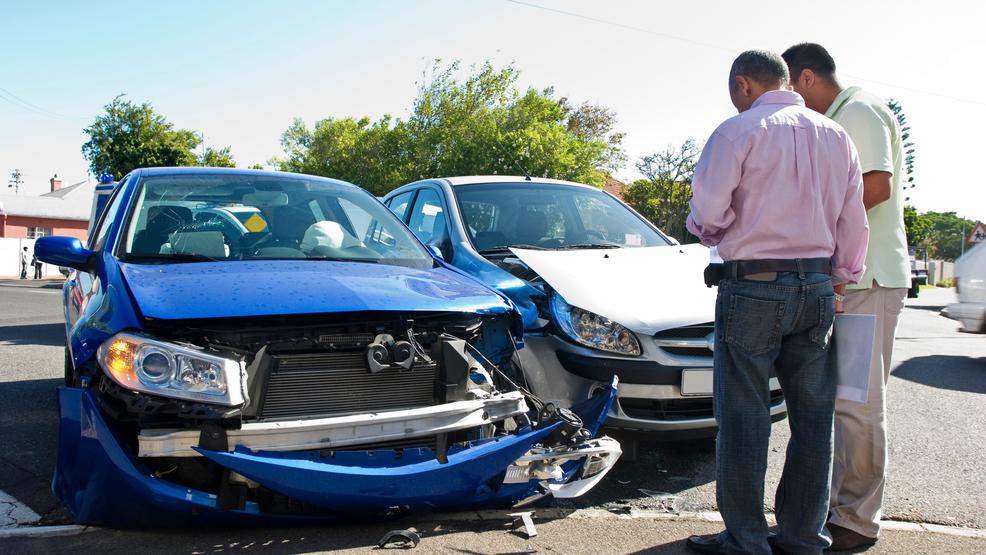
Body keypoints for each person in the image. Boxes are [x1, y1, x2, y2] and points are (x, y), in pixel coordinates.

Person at [684, 50, 869, 555]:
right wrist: (841, 276)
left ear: (744, 85)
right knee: (813, 421)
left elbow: (708, 215)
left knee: (744, 418)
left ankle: (745, 539)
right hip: (816, 289)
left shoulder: (737, 132)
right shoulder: (836, 136)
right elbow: (854, 220)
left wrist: (706, 228)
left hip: (753, 287)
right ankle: (803, 537)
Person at [783, 43, 911, 552]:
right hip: (850, 282)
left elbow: (876, 186)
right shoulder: (839, 115)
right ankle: (840, 509)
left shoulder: (857, 110)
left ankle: (856, 522)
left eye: (789, 88)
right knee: (845, 401)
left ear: (807, 78)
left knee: (858, 403)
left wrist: (809, 220)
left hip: (870, 280)